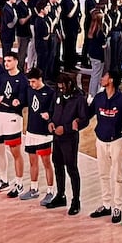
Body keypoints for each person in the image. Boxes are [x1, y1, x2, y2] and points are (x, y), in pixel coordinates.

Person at [89, 70, 122, 223]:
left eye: (104, 76)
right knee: (103, 174)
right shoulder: (99, 97)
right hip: (100, 140)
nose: (101, 79)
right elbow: (88, 114)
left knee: (118, 176)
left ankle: (117, 207)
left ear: (111, 80)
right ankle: (106, 204)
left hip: (117, 141)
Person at [47, 70, 88, 214]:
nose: (60, 89)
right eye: (59, 86)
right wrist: (51, 122)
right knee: (57, 166)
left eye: (62, 86)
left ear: (70, 84)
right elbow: (52, 110)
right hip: (56, 138)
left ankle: (76, 200)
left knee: (72, 169)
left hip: (69, 139)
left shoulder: (79, 98)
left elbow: (84, 120)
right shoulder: (58, 94)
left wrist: (65, 129)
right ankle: (60, 195)